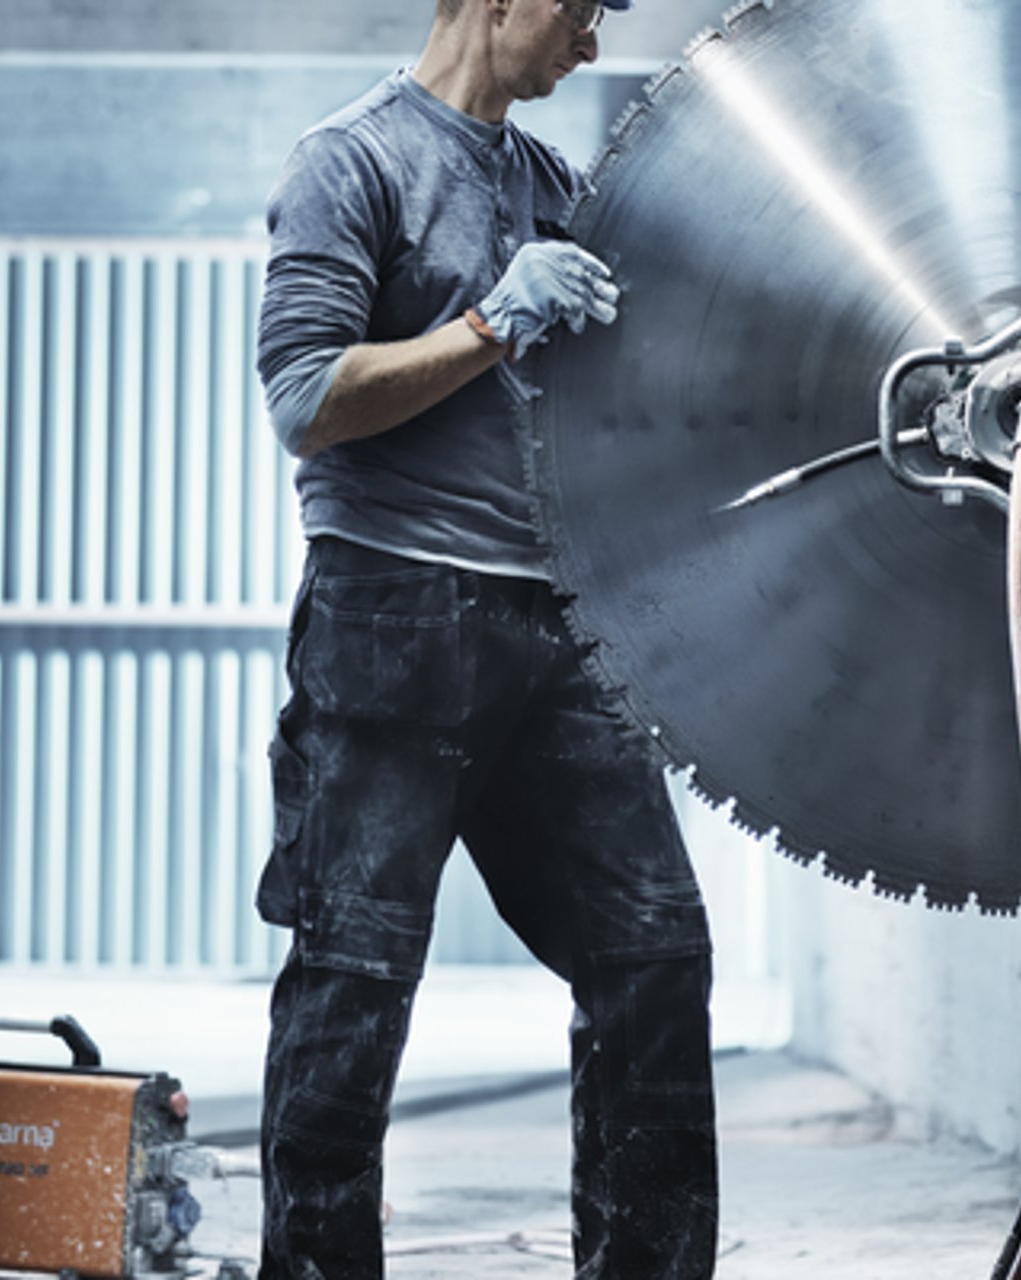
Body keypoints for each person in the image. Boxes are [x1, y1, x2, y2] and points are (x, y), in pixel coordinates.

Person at [252, 1, 719, 1277]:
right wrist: (489, 322)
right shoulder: (349, 162)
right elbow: (306, 400)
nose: (588, 42)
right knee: (354, 983)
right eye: (577, 12)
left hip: (558, 628)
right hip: (394, 618)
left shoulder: (552, 181)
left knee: (656, 959)